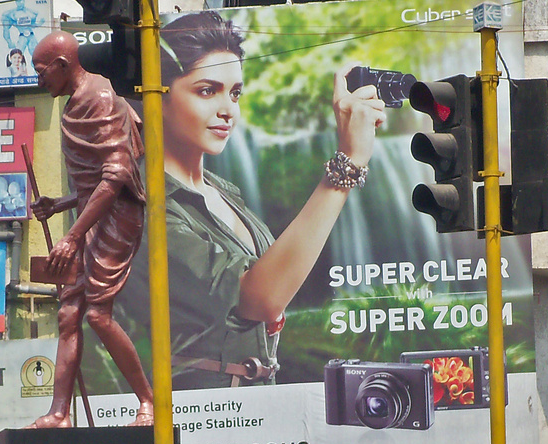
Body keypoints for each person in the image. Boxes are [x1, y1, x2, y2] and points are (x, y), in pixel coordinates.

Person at [116, 11, 385, 389]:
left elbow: (273, 290)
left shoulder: (225, 193)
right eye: (207, 90)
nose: (228, 110)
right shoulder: (141, 203)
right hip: (197, 411)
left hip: (254, 404)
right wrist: (347, 164)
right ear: (155, 94)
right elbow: (261, 298)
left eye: (235, 92)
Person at [29, 31, 155, 428]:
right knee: (68, 314)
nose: (39, 80)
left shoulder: (99, 98)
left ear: (63, 66)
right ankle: (60, 414)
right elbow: (91, 185)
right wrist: (59, 204)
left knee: (98, 315)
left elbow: (115, 177)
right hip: (92, 213)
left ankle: (147, 403)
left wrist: (72, 235)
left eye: (42, 71)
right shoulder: (73, 104)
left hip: (117, 218)